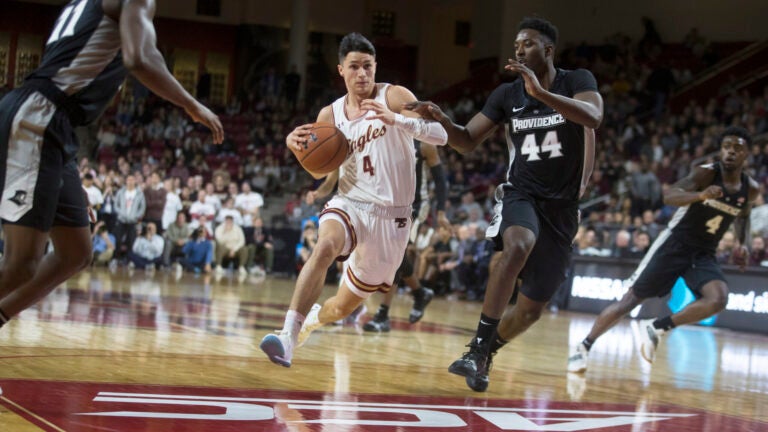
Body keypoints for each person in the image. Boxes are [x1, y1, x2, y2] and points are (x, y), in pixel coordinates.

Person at [0, 0, 223, 344]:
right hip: (39, 119)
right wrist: (191, 104)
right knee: (21, 264)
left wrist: (62, 178)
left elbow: (141, 54)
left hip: (53, 124)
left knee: (75, 253)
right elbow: (140, 59)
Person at [408, 16, 603, 392]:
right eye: (516, 45)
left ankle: (486, 352)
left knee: (530, 311)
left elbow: (593, 117)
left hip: (562, 209)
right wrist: (443, 120)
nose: (519, 50)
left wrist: (541, 94)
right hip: (521, 192)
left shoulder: (577, 80)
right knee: (517, 245)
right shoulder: (506, 95)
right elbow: (466, 141)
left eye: (527, 44)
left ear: (548, 50)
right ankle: (476, 348)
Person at [259, 32, 448, 367]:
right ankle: (287, 335)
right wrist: (295, 148)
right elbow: (319, 170)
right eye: (355, 67)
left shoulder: (395, 96)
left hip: (392, 219)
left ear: (375, 66)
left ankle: (313, 321)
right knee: (325, 246)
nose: (362, 73)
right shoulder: (330, 115)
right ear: (341, 70)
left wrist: (397, 119)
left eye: (368, 66)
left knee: (341, 308)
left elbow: (441, 135)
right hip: (351, 203)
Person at [568, 127, 759, 373]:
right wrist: (700, 195)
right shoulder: (706, 173)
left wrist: (742, 243)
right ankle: (584, 346)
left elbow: (743, 216)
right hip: (675, 244)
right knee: (630, 301)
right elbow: (670, 196)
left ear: (747, 154)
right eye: (727, 146)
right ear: (721, 150)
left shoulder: (750, 188)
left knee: (718, 299)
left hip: (704, 252)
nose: (731, 151)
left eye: (737, 148)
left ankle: (657, 327)